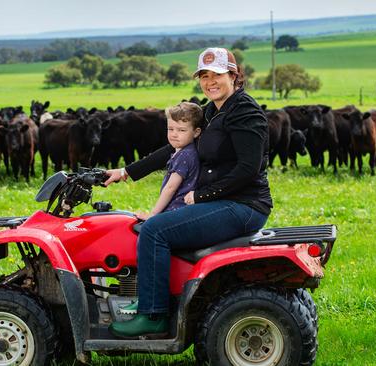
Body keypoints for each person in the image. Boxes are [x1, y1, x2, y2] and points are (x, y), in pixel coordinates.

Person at [105, 47, 273, 338]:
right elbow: (175, 147)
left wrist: (202, 196)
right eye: (204, 76)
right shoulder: (211, 111)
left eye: (217, 75)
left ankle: (153, 314)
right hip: (224, 201)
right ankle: (152, 295)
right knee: (143, 226)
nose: (210, 82)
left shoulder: (245, 112)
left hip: (243, 206)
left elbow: (249, 168)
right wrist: (125, 172)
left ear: (233, 75)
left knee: (154, 230)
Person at [119, 102, 202, 316]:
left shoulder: (186, 154)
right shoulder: (179, 151)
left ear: (197, 132)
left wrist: (153, 214)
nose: (174, 135)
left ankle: (150, 302)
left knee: (147, 238)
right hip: (176, 210)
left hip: (175, 212)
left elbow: (171, 187)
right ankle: (144, 297)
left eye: (182, 130)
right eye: (170, 129)